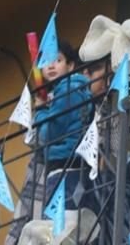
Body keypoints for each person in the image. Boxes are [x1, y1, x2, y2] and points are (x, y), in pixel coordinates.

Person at [8, 42, 91, 245]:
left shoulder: (68, 88)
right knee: (59, 226)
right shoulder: (68, 89)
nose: (51, 66)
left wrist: (42, 110)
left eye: (58, 60)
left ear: (71, 65)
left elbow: (49, 132)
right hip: (64, 166)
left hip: (65, 165)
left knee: (61, 227)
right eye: (46, 62)